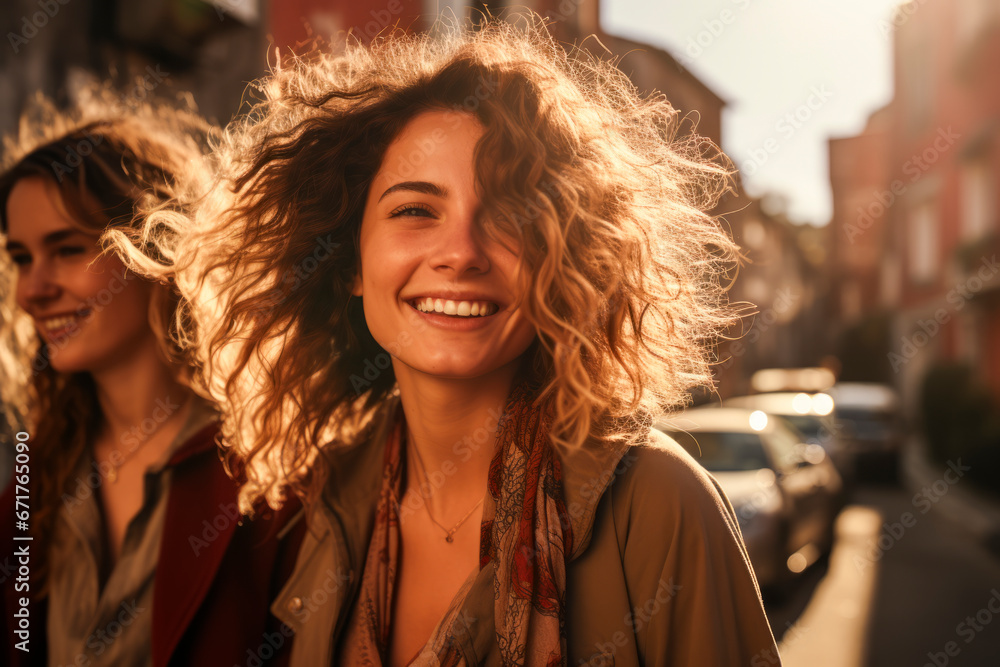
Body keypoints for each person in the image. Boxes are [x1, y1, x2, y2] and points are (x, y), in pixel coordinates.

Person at [120, 11, 782, 666]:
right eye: (415, 211)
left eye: (506, 213)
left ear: (559, 256)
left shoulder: (660, 503)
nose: (461, 252)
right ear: (350, 260)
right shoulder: (312, 504)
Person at [0, 95, 304, 666]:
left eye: (66, 249)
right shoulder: (31, 481)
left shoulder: (268, 477)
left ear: (156, 248)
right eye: (20, 257)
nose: (31, 291)